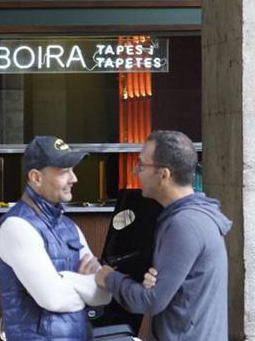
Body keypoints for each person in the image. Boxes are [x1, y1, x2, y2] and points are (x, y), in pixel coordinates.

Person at [95, 130, 232, 341]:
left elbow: (150, 301)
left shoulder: (184, 225)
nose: (135, 171)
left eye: (142, 165)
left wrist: (108, 277)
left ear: (164, 174)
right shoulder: (193, 217)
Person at [0, 136, 112, 341]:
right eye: (64, 171)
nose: (73, 179)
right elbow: (54, 299)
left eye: (72, 170)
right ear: (36, 178)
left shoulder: (69, 227)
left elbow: (104, 294)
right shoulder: (17, 227)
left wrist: (64, 279)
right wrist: (85, 283)